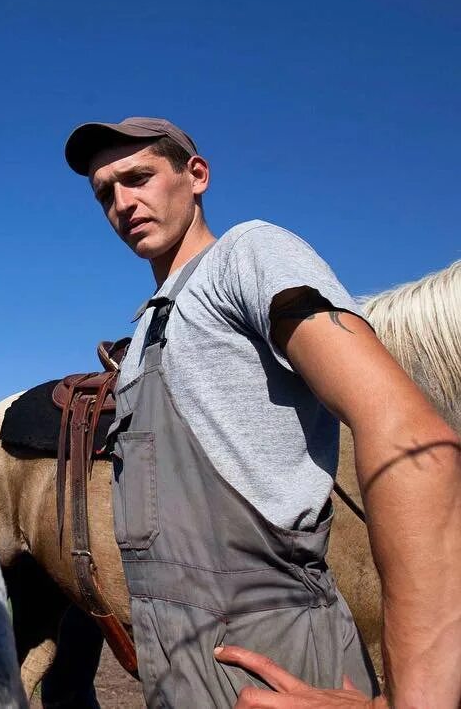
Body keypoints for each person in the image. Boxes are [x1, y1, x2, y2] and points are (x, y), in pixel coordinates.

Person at [63, 117, 461, 708]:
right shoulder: (151, 318)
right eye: (105, 193)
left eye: (139, 177)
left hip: (274, 659)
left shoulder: (248, 255)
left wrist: (416, 703)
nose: (122, 202)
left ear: (196, 176)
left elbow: (413, 440)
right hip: (175, 659)